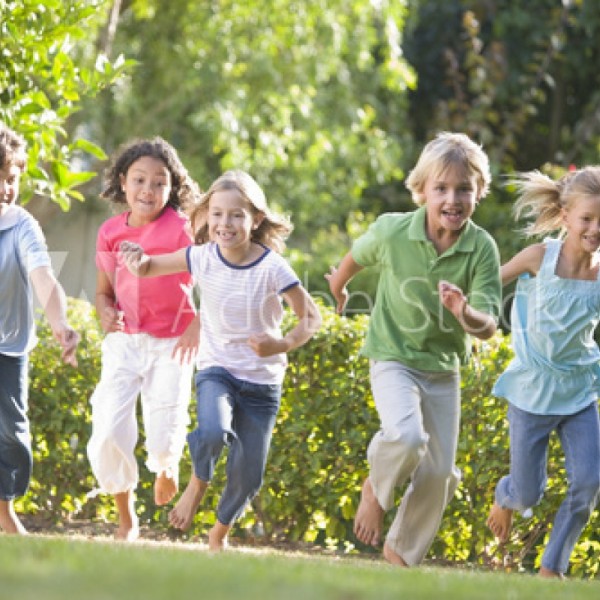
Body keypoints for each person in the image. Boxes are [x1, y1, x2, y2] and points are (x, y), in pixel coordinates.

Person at [120, 169, 322, 551]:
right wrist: (136, 258)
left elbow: (310, 317)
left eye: (235, 215)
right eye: (216, 214)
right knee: (212, 431)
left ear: (256, 219)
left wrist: (280, 344)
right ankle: (198, 482)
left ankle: (218, 535)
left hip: (262, 383)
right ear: (206, 216)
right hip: (218, 370)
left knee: (249, 475)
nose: (224, 224)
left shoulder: (272, 267)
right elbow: (148, 266)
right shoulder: (202, 257)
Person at [326, 132, 502, 567]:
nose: (453, 198)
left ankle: (400, 556)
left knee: (441, 473)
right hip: (393, 357)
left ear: (479, 191)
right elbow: (356, 255)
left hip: (443, 369)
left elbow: (489, 326)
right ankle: (376, 490)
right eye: (441, 188)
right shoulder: (393, 230)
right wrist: (338, 285)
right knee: (406, 437)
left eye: (464, 188)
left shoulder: (481, 248)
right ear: (421, 190)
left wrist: (465, 313)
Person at [486, 167, 600, 579]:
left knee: (589, 482)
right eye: (587, 219)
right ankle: (506, 494)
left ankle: (552, 566)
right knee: (528, 491)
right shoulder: (540, 257)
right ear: (566, 216)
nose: (595, 228)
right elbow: (490, 281)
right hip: (533, 391)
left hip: (579, 392)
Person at [86, 137, 202, 541]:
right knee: (108, 428)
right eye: (139, 180)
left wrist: (196, 323)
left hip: (173, 342)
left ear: (172, 187)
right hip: (126, 342)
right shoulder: (110, 232)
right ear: (123, 181)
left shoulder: (184, 228)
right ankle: (126, 516)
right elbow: (103, 292)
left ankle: (167, 467)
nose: (148, 190)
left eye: (159, 182)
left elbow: (216, 278)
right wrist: (104, 311)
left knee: (165, 422)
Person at [0, 123, 79, 535]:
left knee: (13, 437)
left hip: (8, 348)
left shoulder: (22, 225)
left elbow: (43, 277)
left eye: (10, 179)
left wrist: (60, 323)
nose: (3, 189)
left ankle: (4, 505)